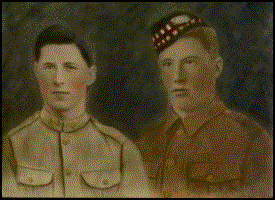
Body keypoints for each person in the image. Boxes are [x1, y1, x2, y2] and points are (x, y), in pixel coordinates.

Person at [2, 24, 151, 198]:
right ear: (36, 72)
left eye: (69, 67)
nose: (58, 80)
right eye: (49, 67)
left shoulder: (121, 150)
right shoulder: (12, 145)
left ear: (90, 74)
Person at [134, 11, 273, 198]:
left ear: (217, 67)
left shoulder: (251, 140)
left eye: (189, 62)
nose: (177, 77)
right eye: (167, 64)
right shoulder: (144, 145)